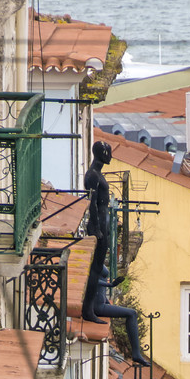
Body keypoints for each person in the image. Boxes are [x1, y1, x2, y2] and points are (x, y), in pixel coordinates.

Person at [80, 141, 146, 360]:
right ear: (103, 153)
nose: (111, 156)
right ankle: (88, 309)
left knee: (98, 269)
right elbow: (91, 203)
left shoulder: (97, 174)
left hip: (103, 227)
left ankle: (90, 309)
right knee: (95, 270)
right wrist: (97, 229)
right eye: (110, 153)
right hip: (97, 228)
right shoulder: (92, 175)